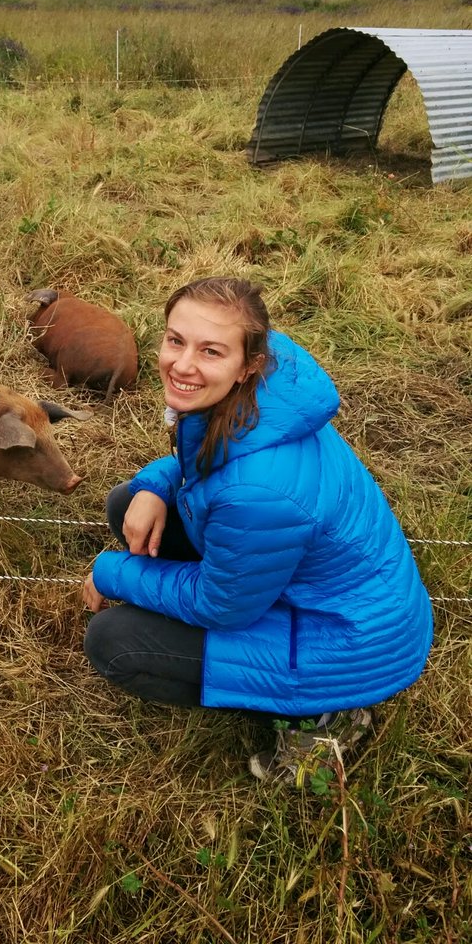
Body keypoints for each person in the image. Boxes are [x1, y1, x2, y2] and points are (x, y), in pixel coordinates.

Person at [82, 276, 433, 785]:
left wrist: (114, 573)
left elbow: (222, 605)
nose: (182, 365)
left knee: (114, 642)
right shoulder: (267, 386)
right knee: (128, 504)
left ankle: (328, 718)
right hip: (320, 586)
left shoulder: (259, 493)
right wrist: (154, 485)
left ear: (247, 363)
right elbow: (209, 463)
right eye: (175, 340)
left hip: (346, 640)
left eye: (210, 351)